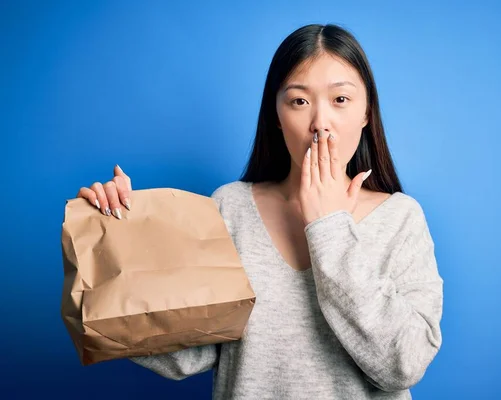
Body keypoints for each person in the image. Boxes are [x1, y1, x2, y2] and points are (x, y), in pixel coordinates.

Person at [76, 23, 444, 400]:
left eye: (341, 100)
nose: (320, 123)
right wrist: (117, 238)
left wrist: (329, 226)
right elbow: (184, 357)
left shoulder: (400, 218)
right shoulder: (230, 207)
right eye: (299, 101)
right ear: (276, 113)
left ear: (367, 112)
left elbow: (404, 364)